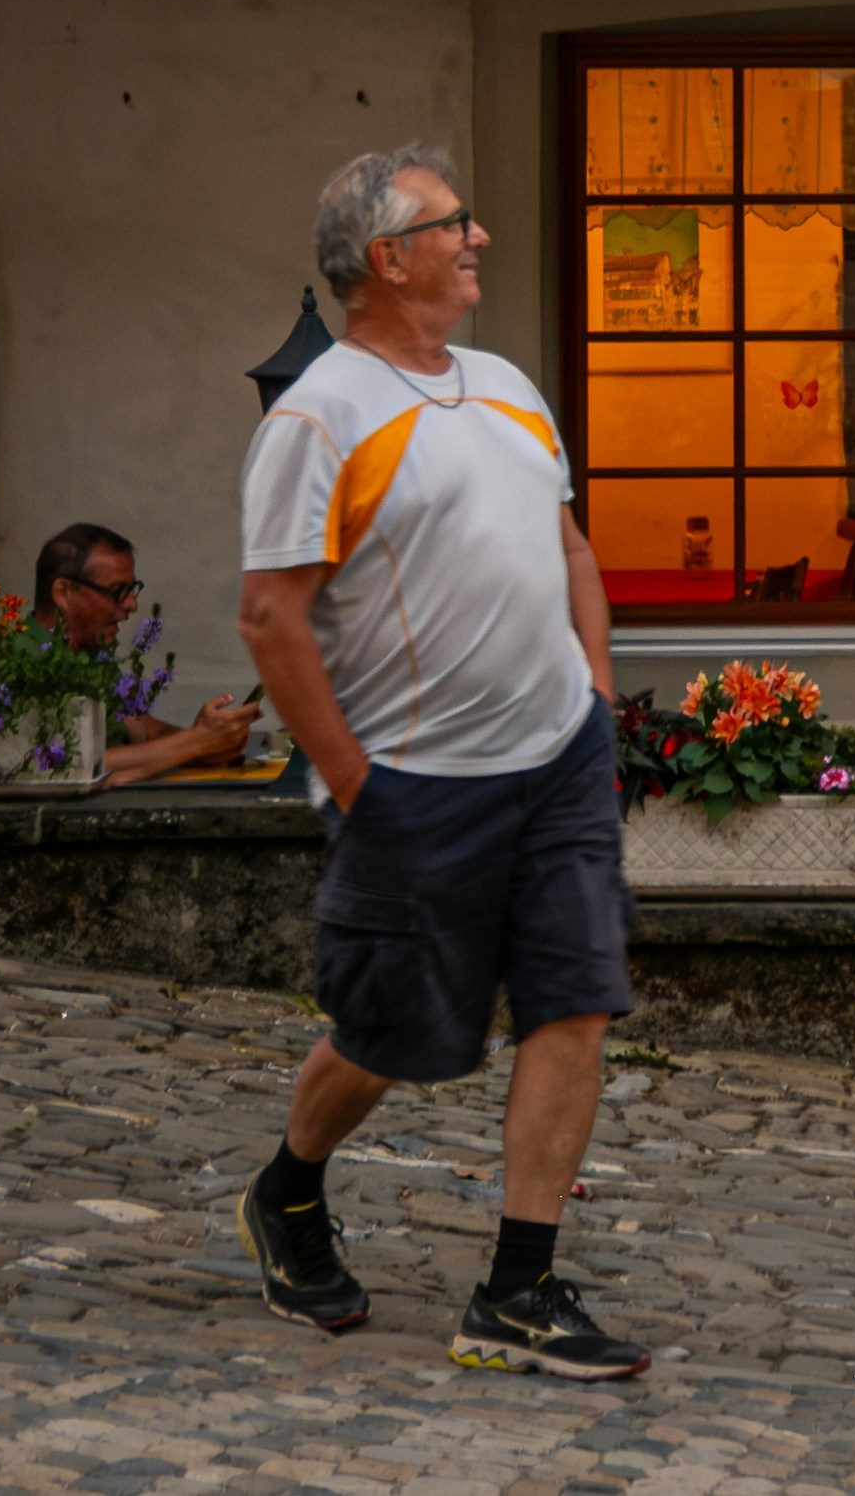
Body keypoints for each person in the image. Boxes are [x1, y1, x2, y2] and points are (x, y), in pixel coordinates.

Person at [230, 143, 645, 1384]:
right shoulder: (319, 414)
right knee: (395, 1030)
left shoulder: (508, 384)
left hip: (556, 757)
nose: (476, 238)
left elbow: (567, 544)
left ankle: (517, 1285)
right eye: (450, 223)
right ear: (384, 258)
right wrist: (358, 784)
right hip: (419, 782)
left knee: (576, 1001)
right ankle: (288, 1189)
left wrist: (597, 688)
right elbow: (270, 616)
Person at [29, 524, 257, 788]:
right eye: (116, 591)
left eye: (132, 590)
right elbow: (68, 765)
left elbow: (146, 731)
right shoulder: (20, 660)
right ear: (63, 593)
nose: (131, 605)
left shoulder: (89, 652)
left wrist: (216, 740)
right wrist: (196, 742)